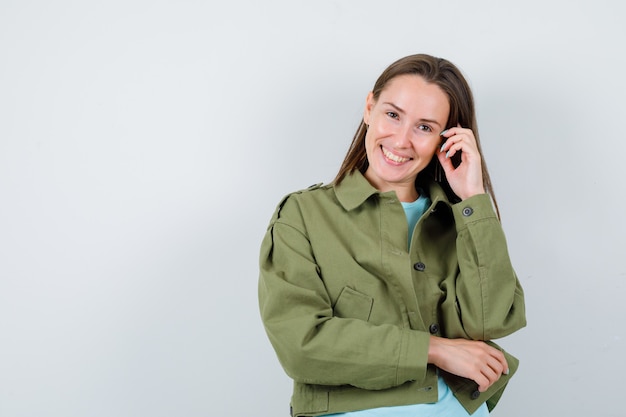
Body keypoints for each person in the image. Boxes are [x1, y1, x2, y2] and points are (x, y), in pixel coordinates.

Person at [258, 54, 526, 417]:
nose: (401, 140)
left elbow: (491, 321)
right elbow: (301, 345)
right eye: (393, 115)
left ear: (446, 139)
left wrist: (474, 199)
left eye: (425, 127)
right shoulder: (302, 216)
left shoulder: (459, 219)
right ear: (370, 107)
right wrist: (435, 349)